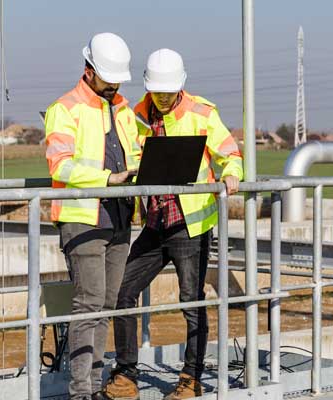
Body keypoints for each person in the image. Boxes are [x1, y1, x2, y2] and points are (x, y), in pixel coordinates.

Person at [105, 48, 243, 400]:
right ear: (150, 89)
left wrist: (231, 174)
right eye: (158, 93)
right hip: (154, 224)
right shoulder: (135, 113)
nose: (163, 99)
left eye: (169, 93)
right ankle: (125, 376)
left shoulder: (201, 112)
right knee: (123, 294)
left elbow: (230, 152)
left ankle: (190, 379)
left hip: (189, 225)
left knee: (191, 302)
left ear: (180, 87)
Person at [44, 32, 140, 400]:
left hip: (118, 217)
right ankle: (80, 392)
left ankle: (97, 386)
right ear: (89, 70)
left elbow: (131, 156)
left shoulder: (125, 110)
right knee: (90, 303)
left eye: (118, 78)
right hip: (83, 218)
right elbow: (61, 166)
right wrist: (105, 178)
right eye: (108, 77)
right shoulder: (64, 109)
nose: (114, 84)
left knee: (107, 305)